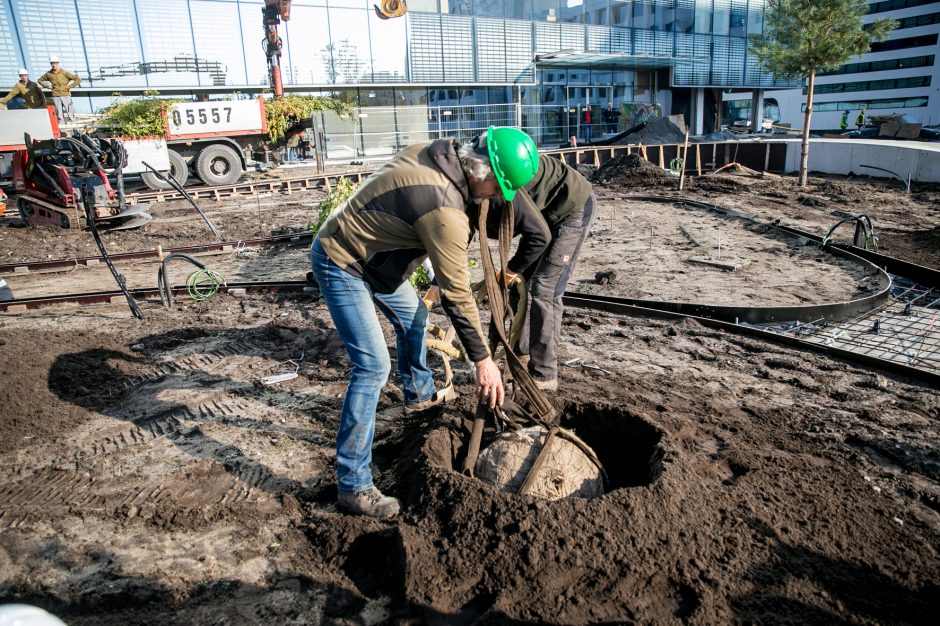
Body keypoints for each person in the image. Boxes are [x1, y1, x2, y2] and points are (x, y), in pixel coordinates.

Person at [310, 126, 539, 518]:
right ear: (480, 174)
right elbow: (456, 294)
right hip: (343, 261)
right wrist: (483, 361)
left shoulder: (441, 153)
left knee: (415, 316)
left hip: (377, 262)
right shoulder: (445, 210)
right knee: (372, 367)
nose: (502, 198)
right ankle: (354, 485)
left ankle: (419, 400)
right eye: (500, 189)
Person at [473, 152, 595, 392]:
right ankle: (521, 354)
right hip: (544, 214)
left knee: (543, 288)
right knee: (521, 284)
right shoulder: (473, 187)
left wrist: (510, 269)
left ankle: (544, 374)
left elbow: (539, 237)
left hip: (572, 208)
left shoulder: (496, 186)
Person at [38, 56, 80, 123]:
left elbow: (78, 79)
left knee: (70, 113)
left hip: (66, 95)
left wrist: (69, 86)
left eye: (55, 63)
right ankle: (63, 132)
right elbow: (40, 80)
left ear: (58, 63)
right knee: (59, 115)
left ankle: (76, 131)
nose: (53, 65)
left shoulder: (65, 73)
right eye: (52, 63)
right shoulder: (49, 74)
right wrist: (48, 86)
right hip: (56, 96)